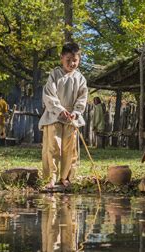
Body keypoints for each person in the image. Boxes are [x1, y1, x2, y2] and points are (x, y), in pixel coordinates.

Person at [39, 42, 88, 189]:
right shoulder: (54, 75)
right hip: (55, 115)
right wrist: (60, 110)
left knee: (69, 147)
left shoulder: (80, 78)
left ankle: (66, 176)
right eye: (68, 60)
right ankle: (51, 177)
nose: (72, 63)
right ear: (61, 58)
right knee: (53, 146)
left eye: (75, 60)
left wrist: (76, 112)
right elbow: (49, 94)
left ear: (79, 60)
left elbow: (82, 97)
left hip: (71, 117)